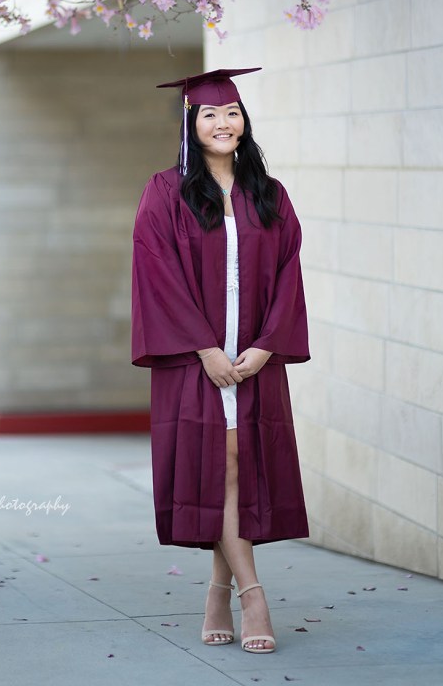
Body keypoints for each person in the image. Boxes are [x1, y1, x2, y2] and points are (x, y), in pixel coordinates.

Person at [131, 67, 310, 654]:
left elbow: (288, 273)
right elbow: (155, 273)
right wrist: (205, 349)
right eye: (209, 114)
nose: (222, 123)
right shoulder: (165, 193)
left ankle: (215, 590)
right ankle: (252, 596)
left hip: (255, 358)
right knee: (222, 466)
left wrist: (264, 347)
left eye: (231, 113)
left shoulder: (270, 194)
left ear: (244, 121)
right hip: (197, 361)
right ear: (191, 124)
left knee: (239, 466)